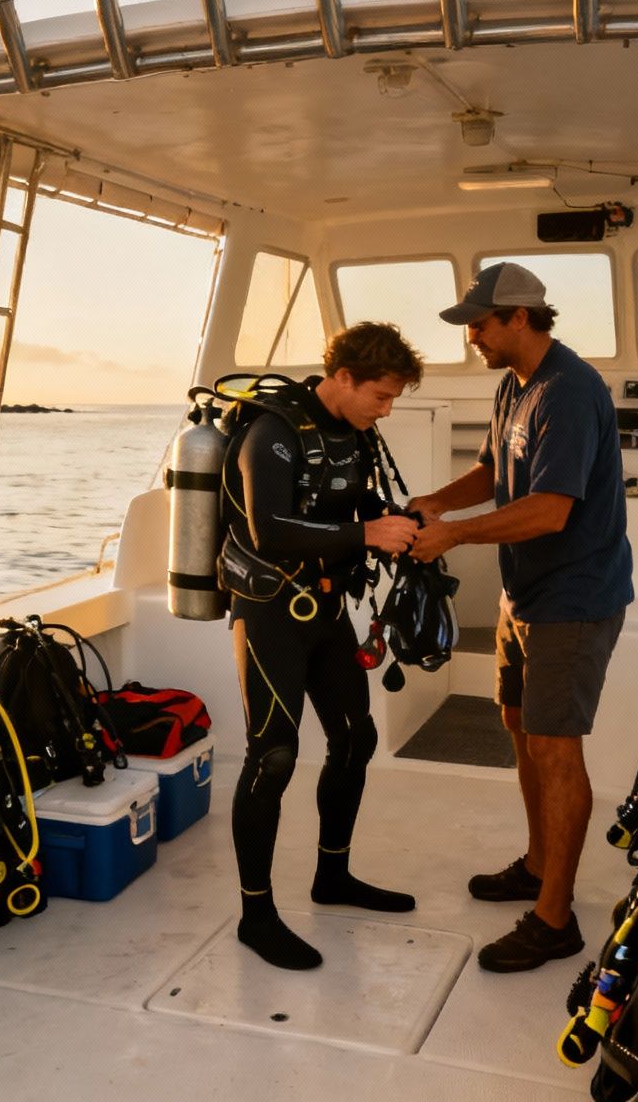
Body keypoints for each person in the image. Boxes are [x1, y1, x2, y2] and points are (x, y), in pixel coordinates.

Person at [408, 262, 634, 973]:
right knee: (520, 730)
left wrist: (454, 535)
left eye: (478, 322)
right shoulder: (513, 386)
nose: (471, 335)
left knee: (557, 748)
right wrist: (436, 504)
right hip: (524, 598)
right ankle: (539, 865)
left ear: (519, 318)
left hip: (573, 599)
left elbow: (549, 509)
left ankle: (554, 919)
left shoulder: (568, 392)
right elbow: (493, 472)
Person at [219, 322, 426, 970]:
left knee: (355, 738)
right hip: (270, 611)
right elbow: (270, 528)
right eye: (381, 396)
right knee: (273, 755)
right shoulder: (272, 431)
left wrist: (396, 523)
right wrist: (367, 534)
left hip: (324, 607)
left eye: (393, 399)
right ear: (343, 378)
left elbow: (353, 502)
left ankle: (331, 878)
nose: (386, 409)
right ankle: (256, 915)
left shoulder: (353, 434)